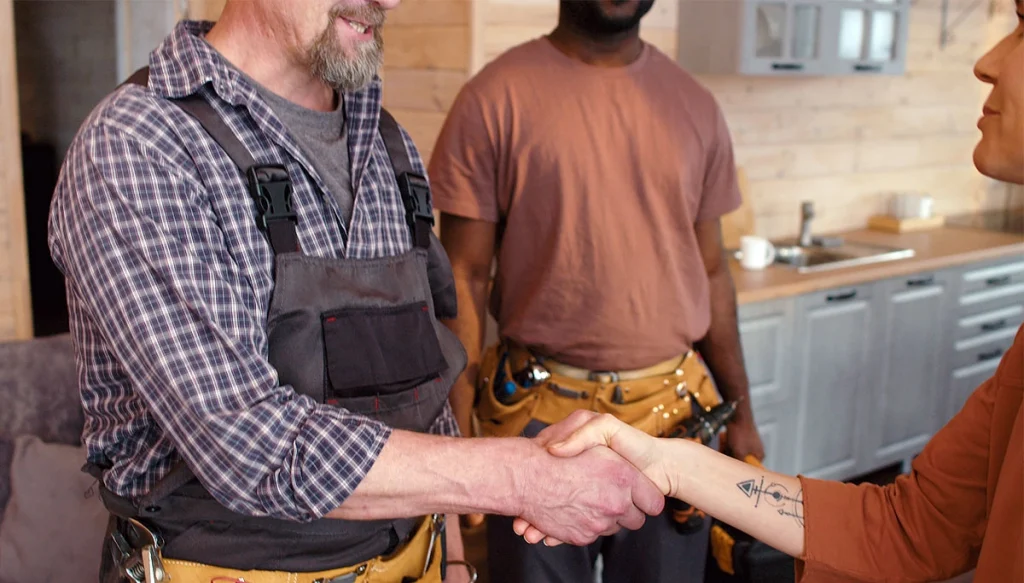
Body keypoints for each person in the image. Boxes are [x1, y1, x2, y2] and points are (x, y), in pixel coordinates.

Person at [47, 1, 667, 581]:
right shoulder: (139, 146)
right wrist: (522, 478)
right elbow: (247, 443)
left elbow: (426, 376)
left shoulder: (388, 141)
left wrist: (450, 553)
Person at [515, 8, 1024, 581]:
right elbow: (915, 526)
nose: (986, 62)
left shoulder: (692, 104)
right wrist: (670, 463)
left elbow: (711, 270)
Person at [429, 0, 764, 581]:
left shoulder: (695, 105)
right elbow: (463, 276)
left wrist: (743, 412)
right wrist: (456, 439)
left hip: (673, 425)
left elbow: (712, 271)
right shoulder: (492, 97)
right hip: (537, 426)